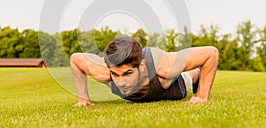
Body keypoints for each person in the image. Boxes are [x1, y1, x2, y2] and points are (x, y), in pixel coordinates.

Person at [70, 37, 218, 106]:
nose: (120, 81)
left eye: (127, 73)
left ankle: (195, 74)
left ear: (140, 66)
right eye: (115, 74)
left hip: (172, 87)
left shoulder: (164, 67)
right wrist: (83, 99)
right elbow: (76, 59)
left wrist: (202, 96)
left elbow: (211, 53)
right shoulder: (103, 72)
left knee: (188, 75)